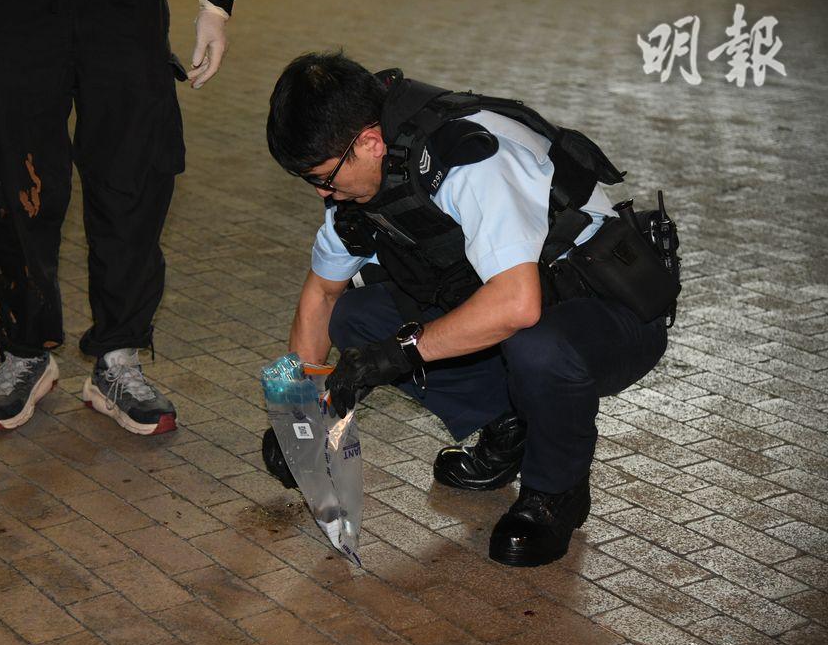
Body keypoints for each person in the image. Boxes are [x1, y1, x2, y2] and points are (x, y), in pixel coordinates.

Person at [263, 52, 673, 567]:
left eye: (324, 178)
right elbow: (322, 295)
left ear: (369, 142)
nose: (323, 193)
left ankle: (556, 492)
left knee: (535, 344)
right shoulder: (363, 185)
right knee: (357, 317)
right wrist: (299, 418)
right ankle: (511, 423)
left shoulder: (468, 159)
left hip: (609, 313)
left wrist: (400, 352)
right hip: (523, 312)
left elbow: (518, 304)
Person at [0, 0, 234, 435]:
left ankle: (117, 357)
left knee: (134, 176)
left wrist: (216, 2)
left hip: (124, 0)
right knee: (13, 177)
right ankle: (24, 350)